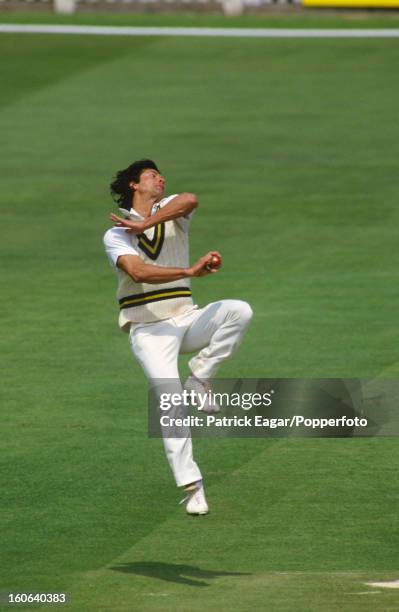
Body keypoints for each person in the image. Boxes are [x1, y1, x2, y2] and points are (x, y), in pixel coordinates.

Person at [103, 159, 253, 515]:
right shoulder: (114, 235)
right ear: (134, 186)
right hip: (149, 331)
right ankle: (193, 487)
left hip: (186, 318)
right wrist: (188, 270)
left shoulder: (170, 211)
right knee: (170, 401)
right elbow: (139, 270)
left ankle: (200, 377)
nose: (161, 179)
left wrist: (149, 222)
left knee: (239, 310)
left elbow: (189, 199)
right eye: (152, 176)